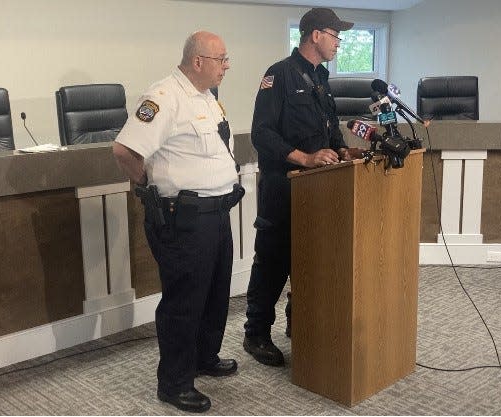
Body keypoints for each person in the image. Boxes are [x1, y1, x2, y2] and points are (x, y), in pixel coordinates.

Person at [112, 31, 244, 413]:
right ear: (198, 61)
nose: (227, 65)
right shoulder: (163, 97)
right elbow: (124, 149)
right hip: (183, 218)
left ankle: (204, 358)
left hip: (216, 214)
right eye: (222, 58)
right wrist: (146, 185)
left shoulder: (205, 98)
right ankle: (173, 383)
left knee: (215, 293)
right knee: (184, 301)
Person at [243, 8, 362, 367]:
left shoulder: (321, 78)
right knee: (274, 262)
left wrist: (341, 148)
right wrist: (305, 158)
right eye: (335, 35)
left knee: (312, 258)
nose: (339, 42)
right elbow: (262, 134)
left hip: (320, 190)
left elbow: (328, 126)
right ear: (314, 35)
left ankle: (301, 322)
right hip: (283, 186)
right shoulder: (278, 75)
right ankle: (256, 333)